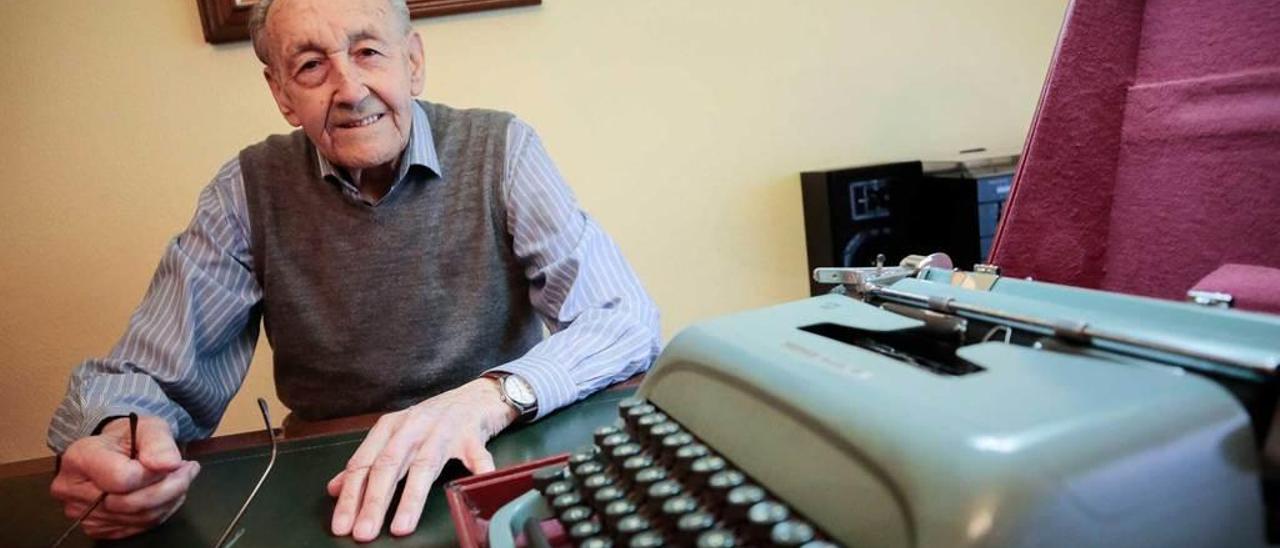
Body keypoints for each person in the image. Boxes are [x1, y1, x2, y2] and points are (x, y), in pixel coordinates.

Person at [46, 0, 660, 542]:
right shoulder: (245, 190)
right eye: (311, 65)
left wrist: (491, 398)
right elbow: (145, 375)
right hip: (335, 481)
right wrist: (116, 440)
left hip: (498, 453)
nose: (350, 88)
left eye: (368, 51)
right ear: (282, 93)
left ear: (412, 62)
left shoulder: (503, 148)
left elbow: (624, 320)